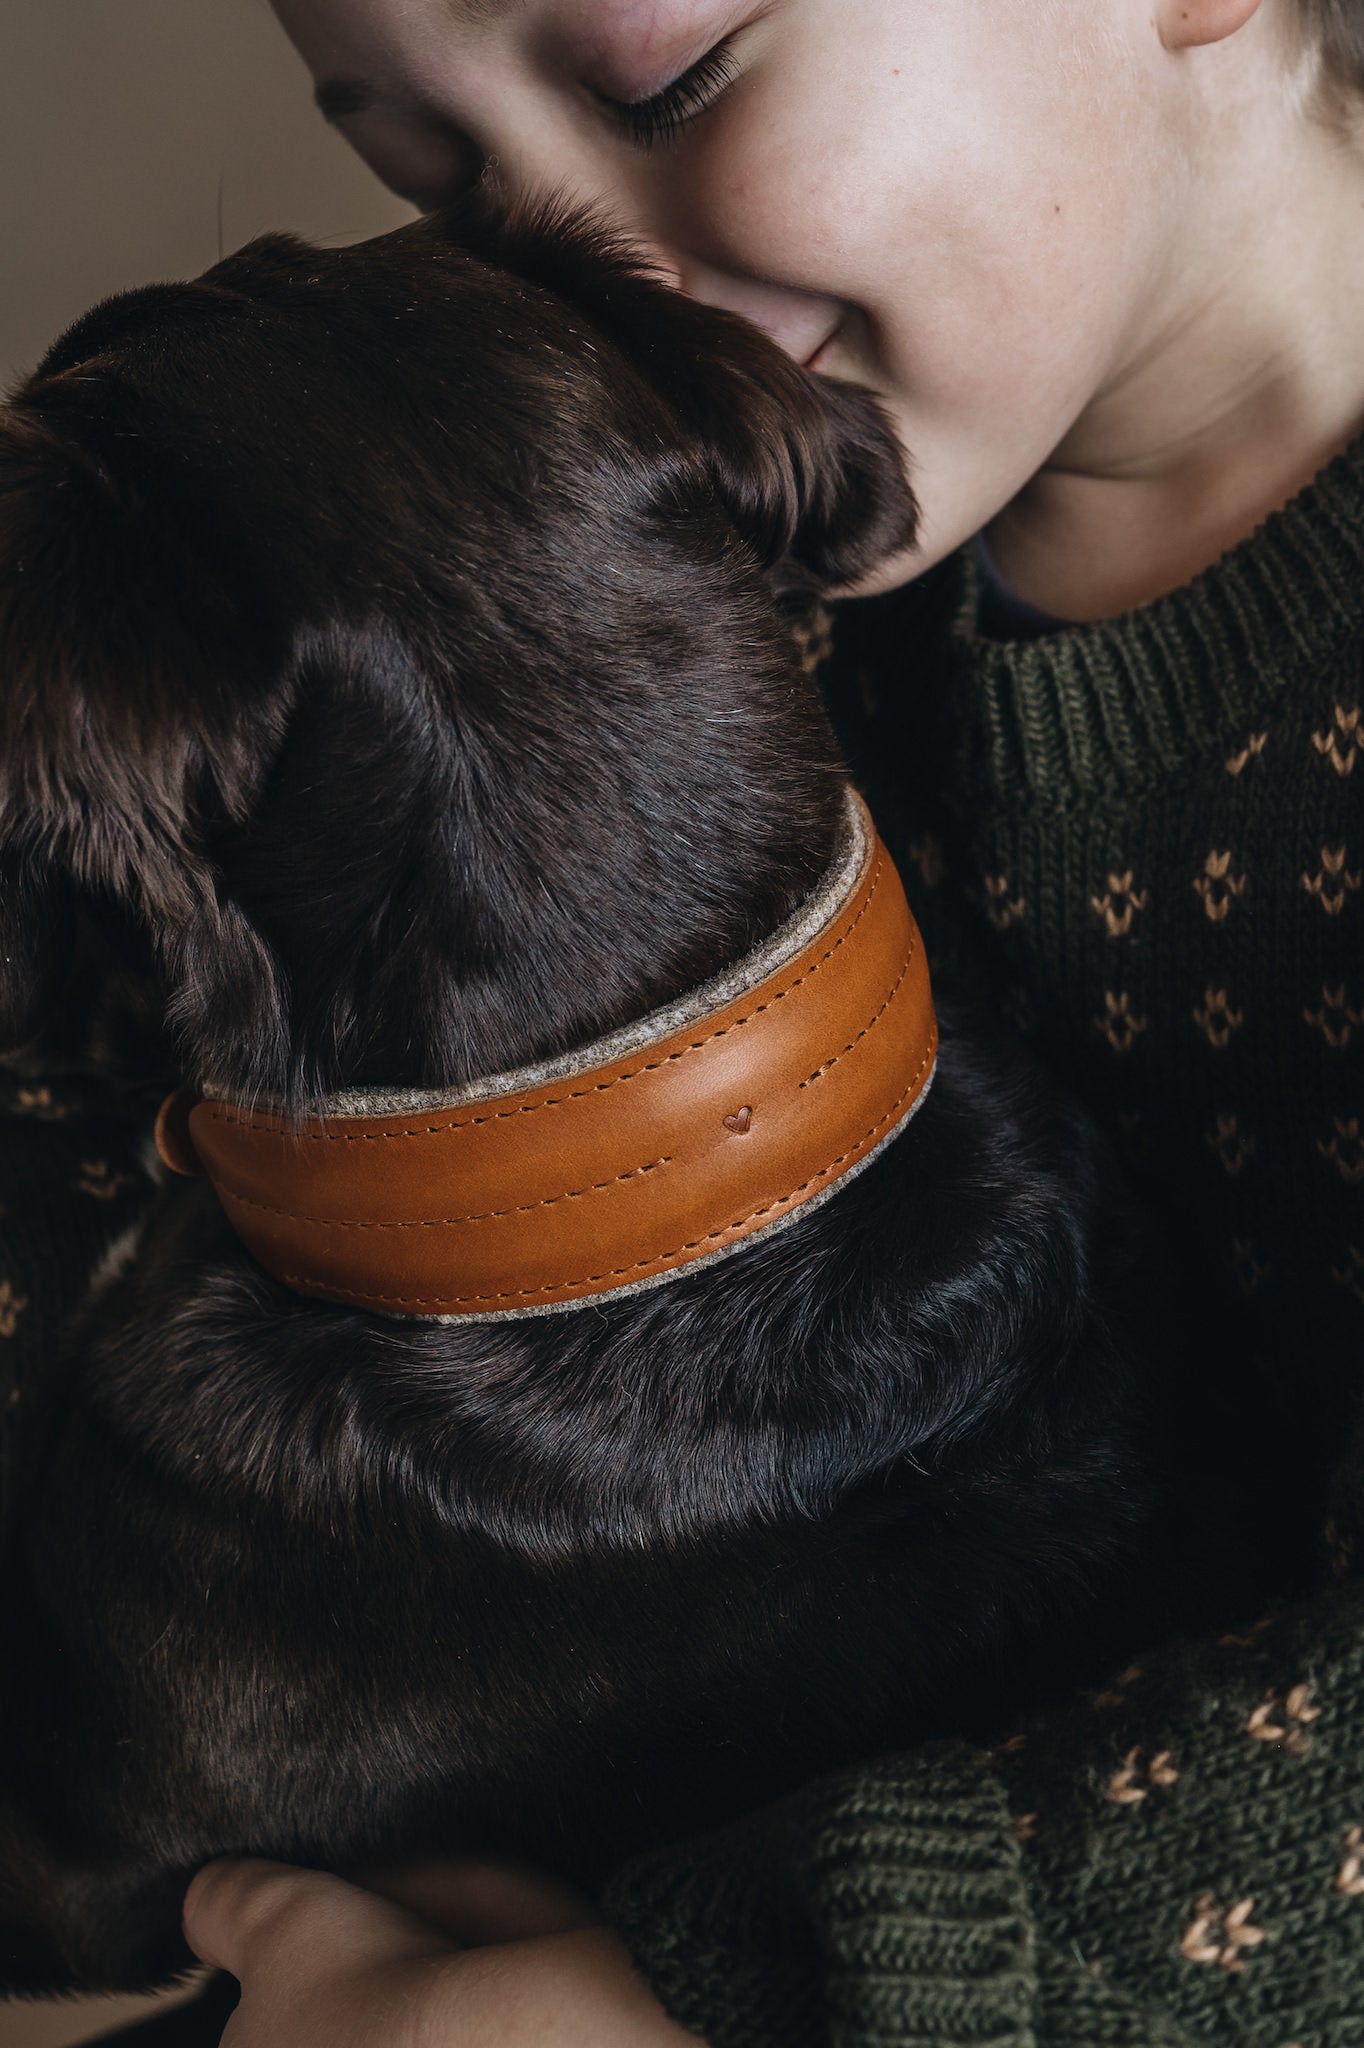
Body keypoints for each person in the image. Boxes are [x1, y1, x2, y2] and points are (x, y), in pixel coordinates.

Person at [5, 0, 1355, 2038]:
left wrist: (694, 1998)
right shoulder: (639, 555)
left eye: (663, 84)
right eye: (427, 166)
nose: (560, 260)